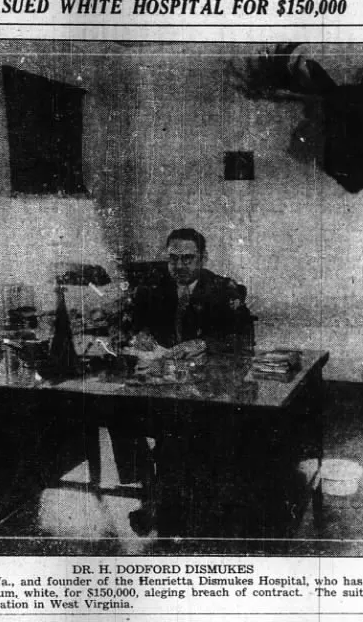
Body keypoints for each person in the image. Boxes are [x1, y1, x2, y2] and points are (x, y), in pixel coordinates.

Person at [121, 228, 252, 536]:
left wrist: (203, 343)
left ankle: (183, 507)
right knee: (134, 417)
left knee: (189, 436)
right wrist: (137, 334)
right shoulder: (153, 287)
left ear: (202, 259)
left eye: (187, 259)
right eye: (173, 259)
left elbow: (244, 338)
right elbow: (130, 323)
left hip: (206, 385)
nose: (179, 266)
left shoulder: (223, 289)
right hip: (162, 382)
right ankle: (161, 497)